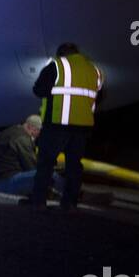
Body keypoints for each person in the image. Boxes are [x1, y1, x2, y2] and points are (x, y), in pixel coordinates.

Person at [27, 42, 104, 214]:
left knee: (46, 162)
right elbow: (99, 96)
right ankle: (69, 203)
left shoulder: (57, 65)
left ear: (62, 54)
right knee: (74, 166)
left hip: (57, 123)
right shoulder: (94, 70)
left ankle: (38, 201)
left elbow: (39, 90)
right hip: (82, 127)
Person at [0, 115, 44, 196]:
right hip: (8, 181)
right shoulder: (22, 138)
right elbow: (31, 165)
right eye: (38, 131)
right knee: (47, 174)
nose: (38, 134)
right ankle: (67, 194)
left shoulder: (11, 131)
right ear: (32, 128)